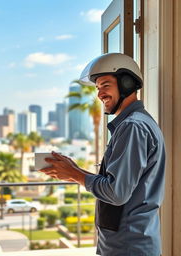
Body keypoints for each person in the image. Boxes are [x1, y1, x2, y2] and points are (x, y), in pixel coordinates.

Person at [39, 53, 166, 256]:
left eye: (105, 85)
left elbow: (116, 193)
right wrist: (74, 170)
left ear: (127, 83)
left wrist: (74, 174)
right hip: (126, 245)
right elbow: (119, 183)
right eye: (98, 88)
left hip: (128, 247)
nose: (100, 94)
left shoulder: (132, 127)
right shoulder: (134, 124)